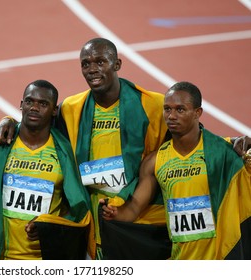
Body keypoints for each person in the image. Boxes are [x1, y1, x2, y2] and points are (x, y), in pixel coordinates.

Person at [0, 38, 171, 259]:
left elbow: (189, 136)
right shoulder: (71, 108)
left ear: (117, 64)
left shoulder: (153, 105)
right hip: (92, 217)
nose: (92, 69)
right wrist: (9, 120)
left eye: (100, 62)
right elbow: (38, 125)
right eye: (86, 63)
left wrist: (226, 141)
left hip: (137, 216)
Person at [100, 81, 251, 259]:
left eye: (180, 109)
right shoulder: (155, 161)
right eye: (167, 109)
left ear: (197, 113)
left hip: (219, 256)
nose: (171, 116)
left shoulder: (222, 152)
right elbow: (134, 207)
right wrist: (115, 213)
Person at [0, 79, 94, 260]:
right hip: (1, 257)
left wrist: (48, 227)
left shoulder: (65, 153)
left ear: (54, 110)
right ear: (21, 105)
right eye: (29, 101)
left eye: (43, 104)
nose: (34, 107)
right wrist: (7, 119)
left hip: (44, 259)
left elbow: (76, 208)